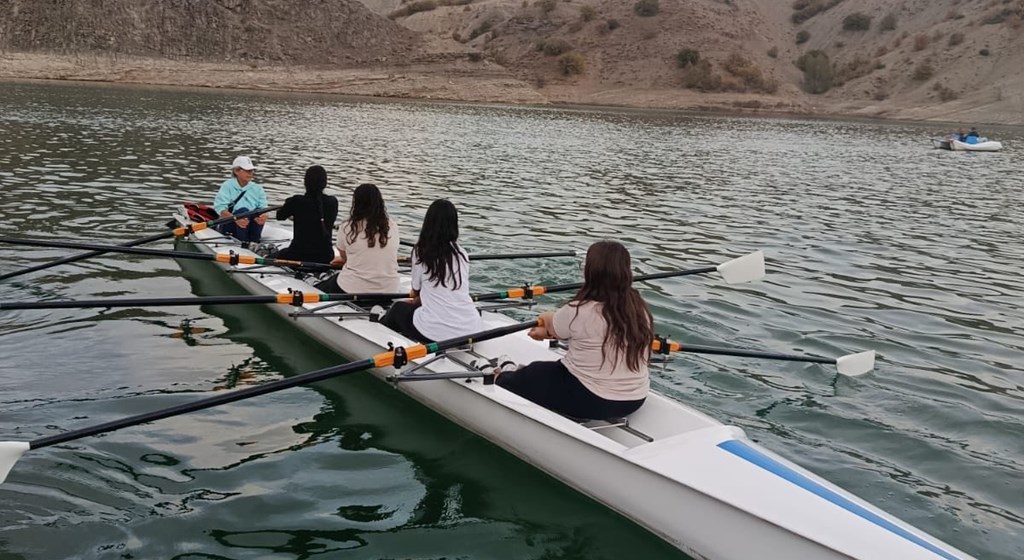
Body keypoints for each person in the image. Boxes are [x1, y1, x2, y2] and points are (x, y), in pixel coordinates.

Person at [495, 240, 653, 420]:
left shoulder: (578, 309)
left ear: (590, 272)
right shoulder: (639, 309)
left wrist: (545, 328)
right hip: (636, 399)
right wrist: (547, 331)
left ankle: (502, 376)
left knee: (535, 372)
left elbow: (552, 323)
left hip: (592, 399)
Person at [380, 199, 482, 341]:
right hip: (472, 328)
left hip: (435, 330)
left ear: (428, 222)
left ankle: (381, 330)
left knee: (397, 309)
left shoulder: (420, 251)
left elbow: (415, 290)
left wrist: (414, 300)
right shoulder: (462, 253)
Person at [317, 183, 400, 294]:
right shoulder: (393, 226)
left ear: (356, 203)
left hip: (352, 288)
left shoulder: (347, 227)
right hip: (390, 288)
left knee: (321, 286)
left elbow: (344, 258)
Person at [272, 165, 338, 264]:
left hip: (298, 255)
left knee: (271, 256)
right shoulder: (333, 202)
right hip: (326, 256)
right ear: (325, 183)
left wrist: (289, 205)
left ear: (305, 182)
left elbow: (279, 216)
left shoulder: (297, 201)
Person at [214, 156, 268, 245]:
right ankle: (243, 242)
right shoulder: (227, 186)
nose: (251, 173)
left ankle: (255, 242)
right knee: (243, 211)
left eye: (252, 170)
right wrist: (236, 219)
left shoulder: (258, 188)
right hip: (230, 224)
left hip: (250, 223)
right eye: (248, 170)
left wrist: (264, 216)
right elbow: (220, 208)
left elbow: (263, 207)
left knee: (258, 213)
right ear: (236, 171)